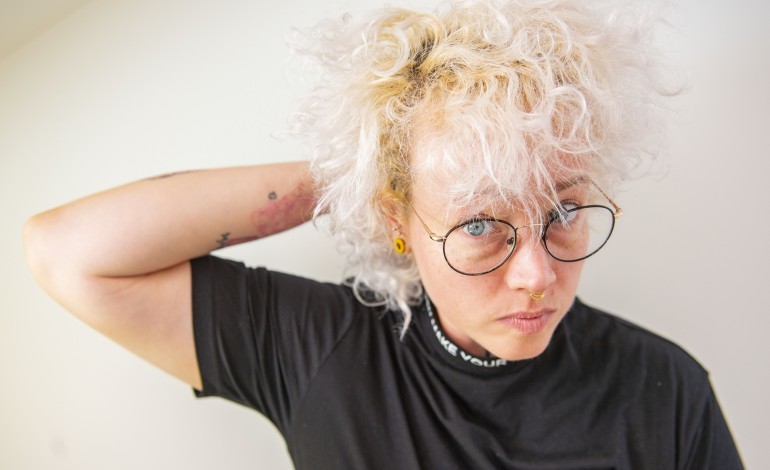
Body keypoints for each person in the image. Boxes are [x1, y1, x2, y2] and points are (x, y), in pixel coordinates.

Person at [23, 0, 743, 468]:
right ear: (399, 223)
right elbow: (68, 253)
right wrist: (359, 171)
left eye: (563, 213)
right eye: (481, 225)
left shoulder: (666, 392)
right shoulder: (322, 351)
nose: (537, 275)